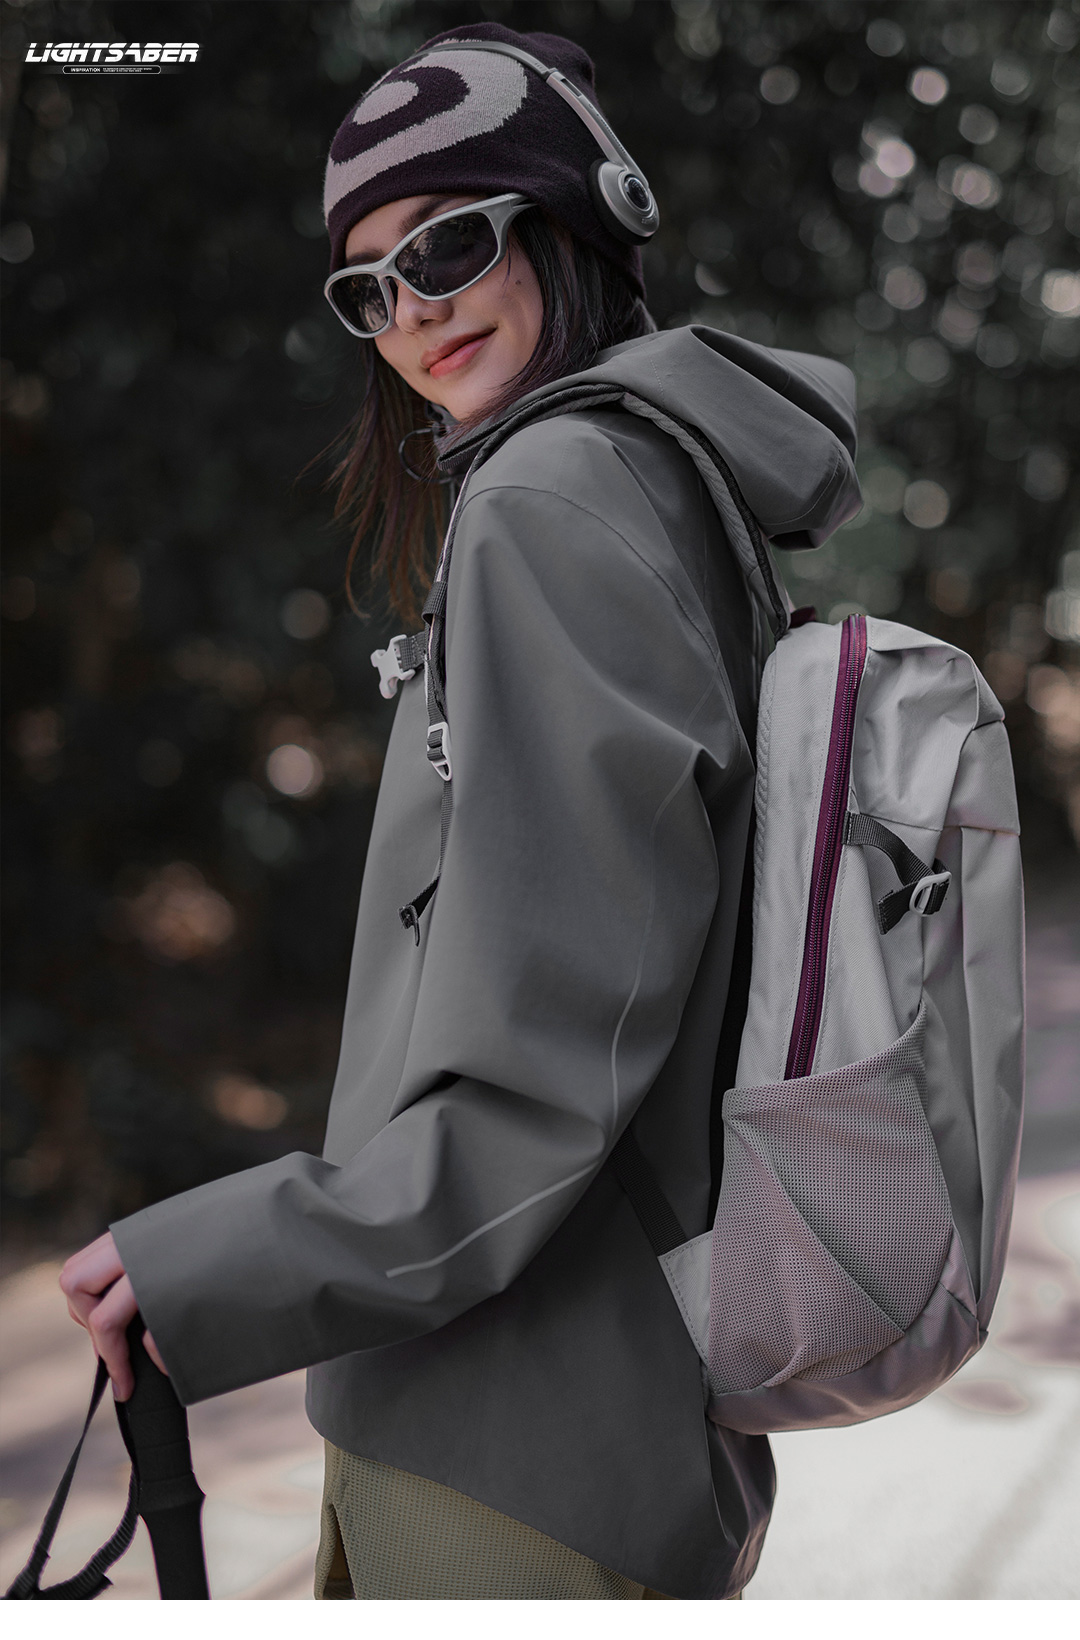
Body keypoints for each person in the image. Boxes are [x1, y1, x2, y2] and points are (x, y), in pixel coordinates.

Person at [59, 21, 860, 1599]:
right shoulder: (671, 479)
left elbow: (543, 1082)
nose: (411, 308)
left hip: (509, 1437)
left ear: (580, 218)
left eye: (447, 243)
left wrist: (210, 1264)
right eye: (367, 286)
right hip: (591, 1405)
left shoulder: (555, 499)